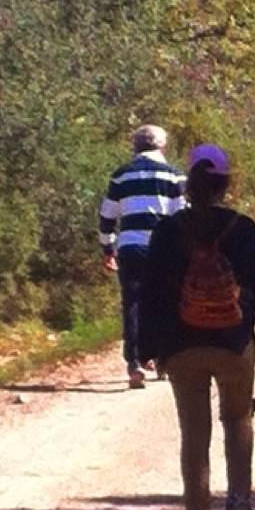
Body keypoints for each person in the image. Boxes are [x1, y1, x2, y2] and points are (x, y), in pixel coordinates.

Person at [134, 141, 255, 510]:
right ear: (226, 184)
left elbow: (148, 293)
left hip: (181, 346)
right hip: (234, 344)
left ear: (189, 186)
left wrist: (143, 347)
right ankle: (240, 502)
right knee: (237, 420)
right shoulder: (244, 230)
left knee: (194, 432)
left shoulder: (168, 232)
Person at [96, 120, 186, 386]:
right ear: (163, 146)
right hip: (163, 248)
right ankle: (161, 359)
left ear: (135, 147)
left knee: (133, 303)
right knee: (165, 303)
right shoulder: (174, 176)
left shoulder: (121, 176)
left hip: (131, 247)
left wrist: (107, 247)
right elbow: (182, 215)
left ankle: (135, 363)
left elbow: (107, 215)